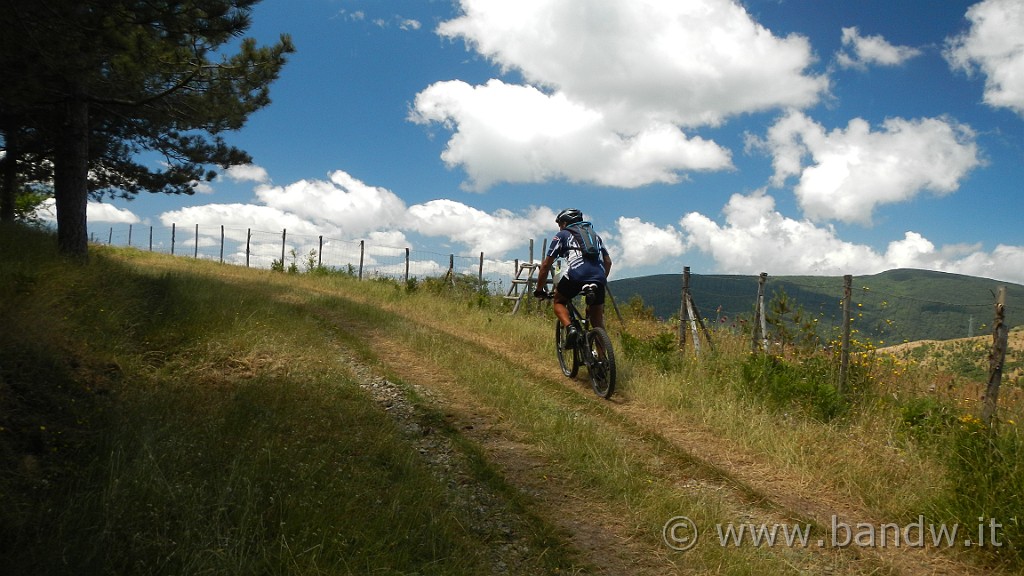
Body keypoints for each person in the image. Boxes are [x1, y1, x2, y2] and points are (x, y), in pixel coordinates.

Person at [534, 208, 613, 345]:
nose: (559, 227)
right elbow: (608, 262)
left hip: (576, 274)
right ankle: (602, 361)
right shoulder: (595, 236)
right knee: (597, 322)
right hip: (599, 277)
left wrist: (539, 290)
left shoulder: (562, 235)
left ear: (565, 223)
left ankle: (571, 329)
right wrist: (600, 281)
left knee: (559, 302)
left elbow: (546, 265)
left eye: (560, 224)